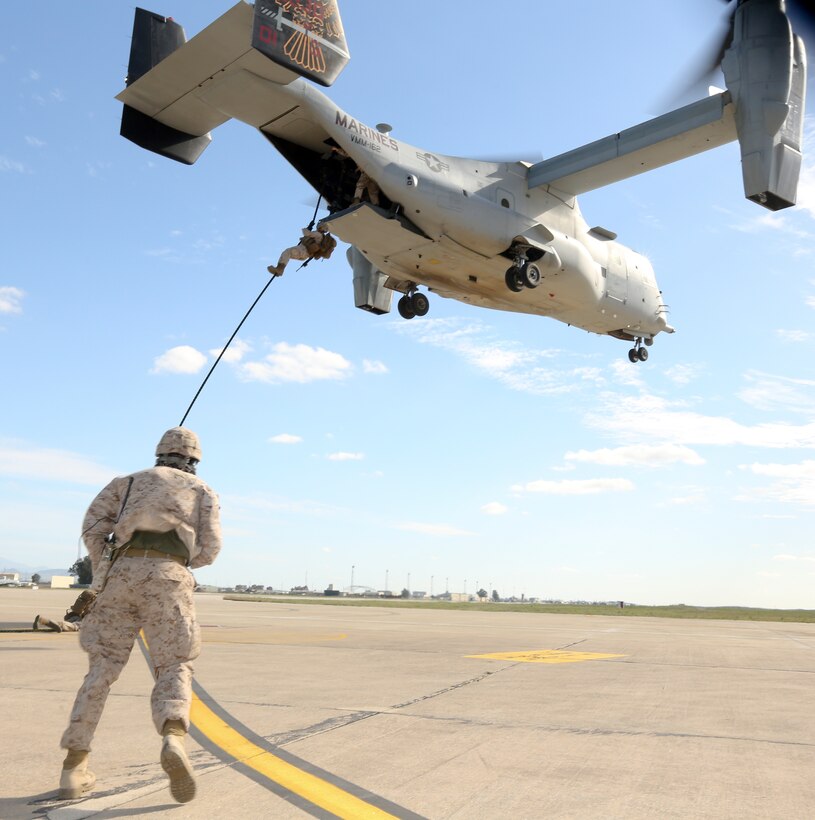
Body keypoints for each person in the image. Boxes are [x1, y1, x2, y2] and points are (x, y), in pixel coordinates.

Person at [57, 426, 222, 804]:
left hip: (118, 578)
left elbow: (94, 526)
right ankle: (172, 736)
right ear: (193, 459)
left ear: (159, 452)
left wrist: (107, 565)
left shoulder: (125, 482)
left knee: (101, 670)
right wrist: (178, 562)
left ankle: (74, 766)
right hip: (169, 578)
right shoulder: (203, 491)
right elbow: (211, 549)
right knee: (175, 664)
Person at [267, 224, 337, 276]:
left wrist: (305, 229)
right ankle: (280, 269)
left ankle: (280, 269)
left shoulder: (318, 234)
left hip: (303, 251)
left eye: (320, 225)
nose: (318, 226)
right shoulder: (321, 237)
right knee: (287, 252)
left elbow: (307, 233)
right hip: (304, 254)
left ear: (321, 228)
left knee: (287, 252)